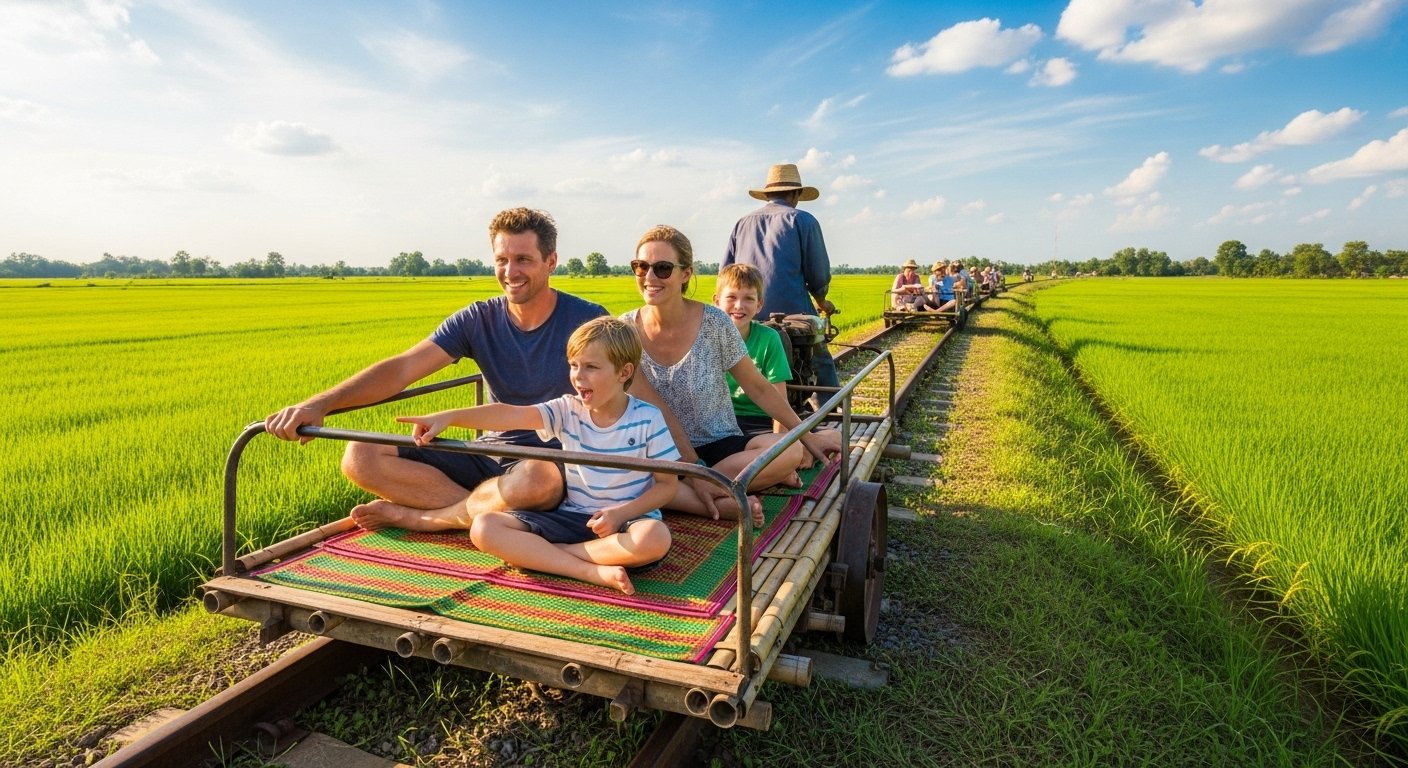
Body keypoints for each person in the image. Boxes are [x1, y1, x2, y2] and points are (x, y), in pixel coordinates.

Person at [264, 208, 607, 532]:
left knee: (536, 480)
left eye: (523, 260)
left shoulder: (588, 320)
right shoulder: (477, 318)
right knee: (360, 455)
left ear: (551, 262)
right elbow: (402, 368)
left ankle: (424, 519)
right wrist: (319, 405)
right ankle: (487, 517)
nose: (510, 272)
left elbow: (624, 395)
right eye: (501, 259)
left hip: (551, 468)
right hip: (486, 457)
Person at [396, 317, 676, 595]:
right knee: (484, 526)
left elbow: (667, 486)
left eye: (591, 367)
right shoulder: (567, 410)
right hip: (572, 516)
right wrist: (450, 416)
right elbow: (511, 414)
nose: (578, 376)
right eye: (574, 365)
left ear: (624, 372)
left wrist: (621, 514)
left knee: (655, 538)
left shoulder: (648, 419)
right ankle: (588, 570)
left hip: (627, 522)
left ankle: (552, 554)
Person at [624, 225, 842, 525]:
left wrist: (804, 435)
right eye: (641, 266)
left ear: (685, 273)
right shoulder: (626, 331)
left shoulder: (714, 323)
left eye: (662, 268)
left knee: (788, 452)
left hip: (719, 446)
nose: (649, 277)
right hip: (659, 451)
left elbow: (758, 387)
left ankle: (685, 492)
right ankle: (711, 498)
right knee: (628, 469)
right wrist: (692, 466)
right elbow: (657, 411)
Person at [722, 163, 839, 390]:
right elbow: (818, 273)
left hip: (744, 311)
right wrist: (822, 299)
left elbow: (726, 273)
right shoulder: (803, 220)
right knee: (820, 358)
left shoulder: (742, 222)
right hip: (794, 311)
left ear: (767, 195)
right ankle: (830, 410)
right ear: (795, 194)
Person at [713, 264, 793, 437]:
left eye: (748, 298)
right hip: (719, 421)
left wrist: (779, 446)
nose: (739, 305)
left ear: (759, 305)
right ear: (717, 301)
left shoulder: (769, 338)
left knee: (832, 436)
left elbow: (779, 399)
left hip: (760, 421)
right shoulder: (706, 336)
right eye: (731, 297)